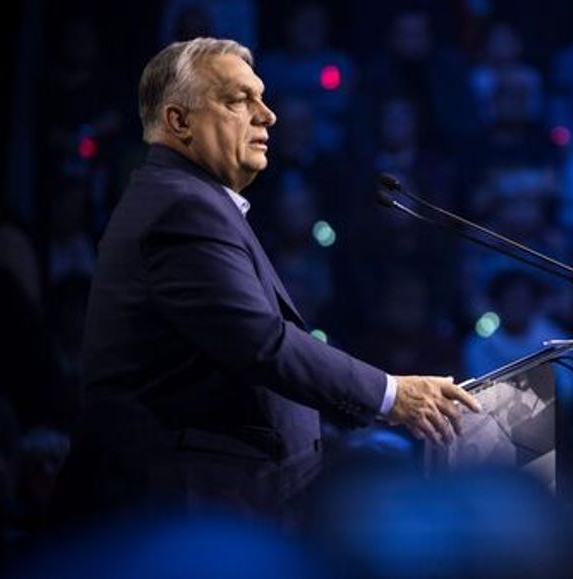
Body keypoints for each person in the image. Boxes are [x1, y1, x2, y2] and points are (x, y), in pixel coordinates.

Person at [69, 38, 480, 518]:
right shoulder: (182, 207)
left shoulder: (185, 199)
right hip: (182, 511)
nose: (267, 115)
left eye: (262, 98)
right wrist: (393, 394)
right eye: (239, 100)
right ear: (179, 121)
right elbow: (261, 343)